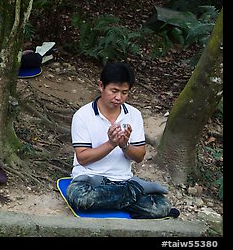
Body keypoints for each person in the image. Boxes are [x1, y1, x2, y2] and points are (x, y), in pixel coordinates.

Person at [65, 62, 179, 219]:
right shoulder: (82, 115)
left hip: (121, 181)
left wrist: (124, 145)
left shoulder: (134, 115)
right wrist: (111, 144)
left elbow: (139, 157)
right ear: (101, 86)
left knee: (161, 207)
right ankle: (136, 190)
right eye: (114, 91)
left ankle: (126, 194)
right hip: (90, 182)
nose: (119, 97)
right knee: (80, 199)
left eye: (124, 93)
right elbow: (83, 158)